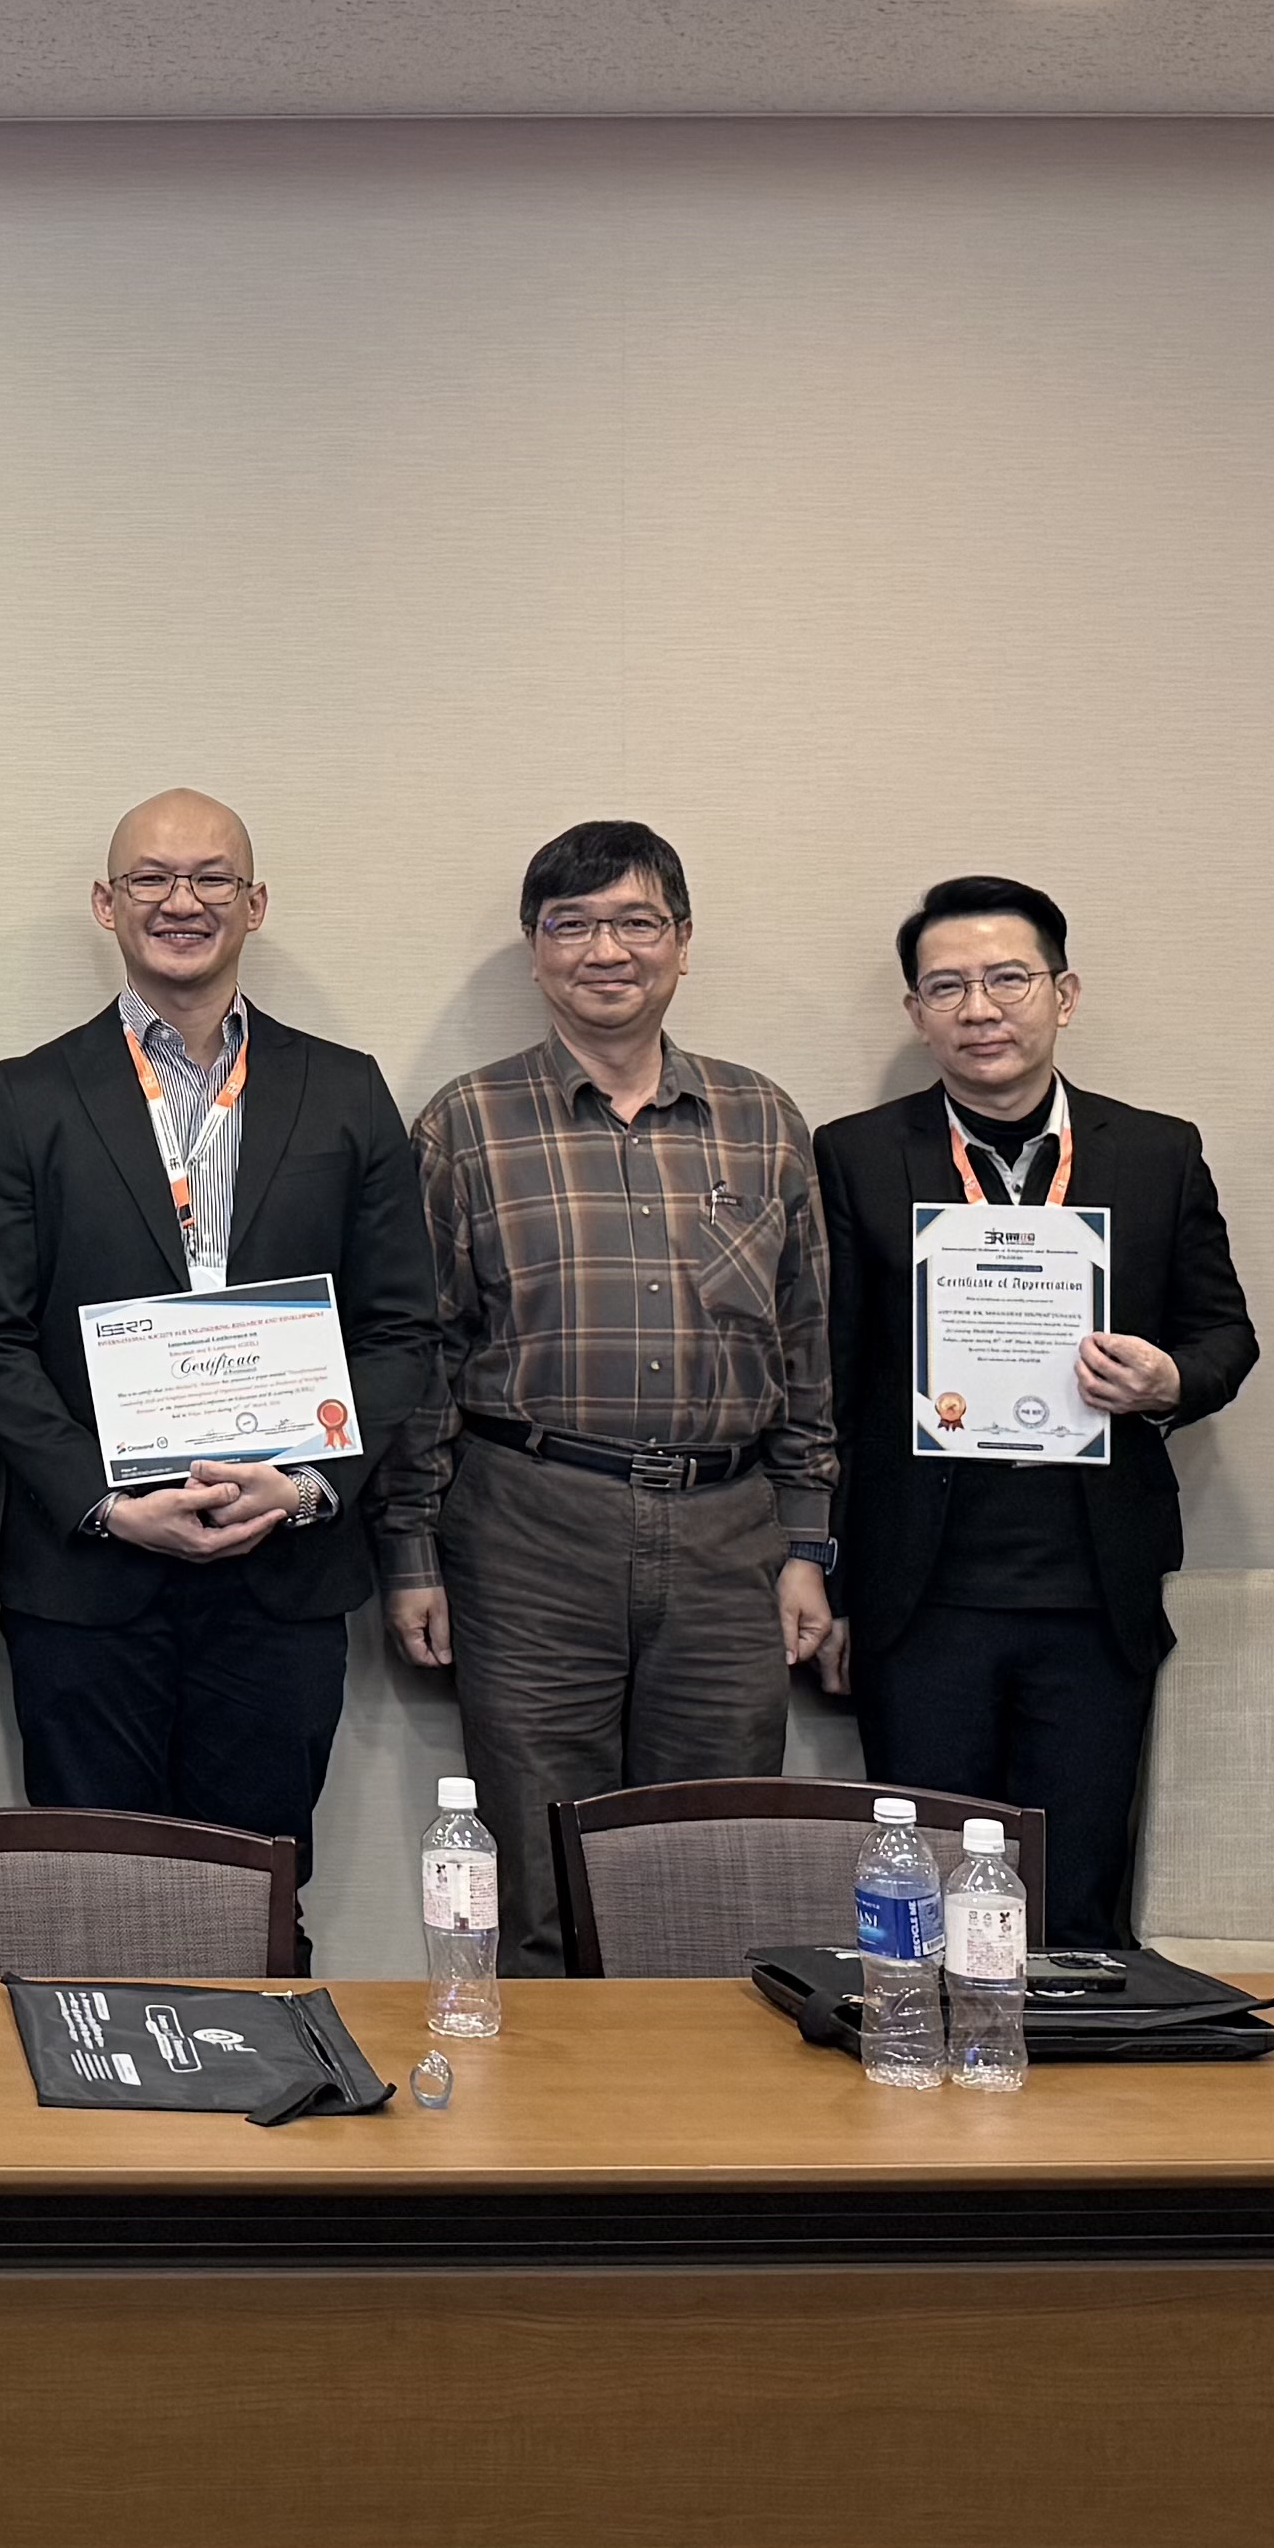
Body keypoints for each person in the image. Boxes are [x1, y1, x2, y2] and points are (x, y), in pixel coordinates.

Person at [0, 792, 441, 1860]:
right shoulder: (27, 1095)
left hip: (283, 1571)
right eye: (151, 878)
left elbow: (402, 1329)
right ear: (106, 903)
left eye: (212, 877)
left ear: (253, 903)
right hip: (89, 1582)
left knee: (261, 1890)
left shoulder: (345, 1089)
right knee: (97, 1889)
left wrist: (306, 1485)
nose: (182, 901)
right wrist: (105, 1502)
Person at [393, 818, 835, 1975]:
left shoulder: (763, 1120)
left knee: (712, 1872)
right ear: (534, 949)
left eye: (636, 922)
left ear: (682, 942)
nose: (605, 950)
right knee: (536, 1881)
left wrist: (807, 1546)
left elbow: (806, 1353)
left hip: (729, 1540)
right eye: (573, 925)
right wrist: (409, 1554)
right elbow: (423, 1355)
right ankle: (541, 2093)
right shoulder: (463, 1123)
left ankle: (695, 2097)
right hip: (526, 1531)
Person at [815, 877, 1257, 1949]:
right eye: (947, 986)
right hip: (920, 1594)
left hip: (1091, 1592)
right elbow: (829, 1381)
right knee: (920, 1892)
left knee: (1073, 1892)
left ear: (1063, 994)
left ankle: (1073, 2055)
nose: (980, 1008)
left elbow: (1224, 1336)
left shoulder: (1155, 1152)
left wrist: (1166, 1381)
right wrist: (829, 1579)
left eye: (1007, 978)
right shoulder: (855, 1155)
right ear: (916, 1011)